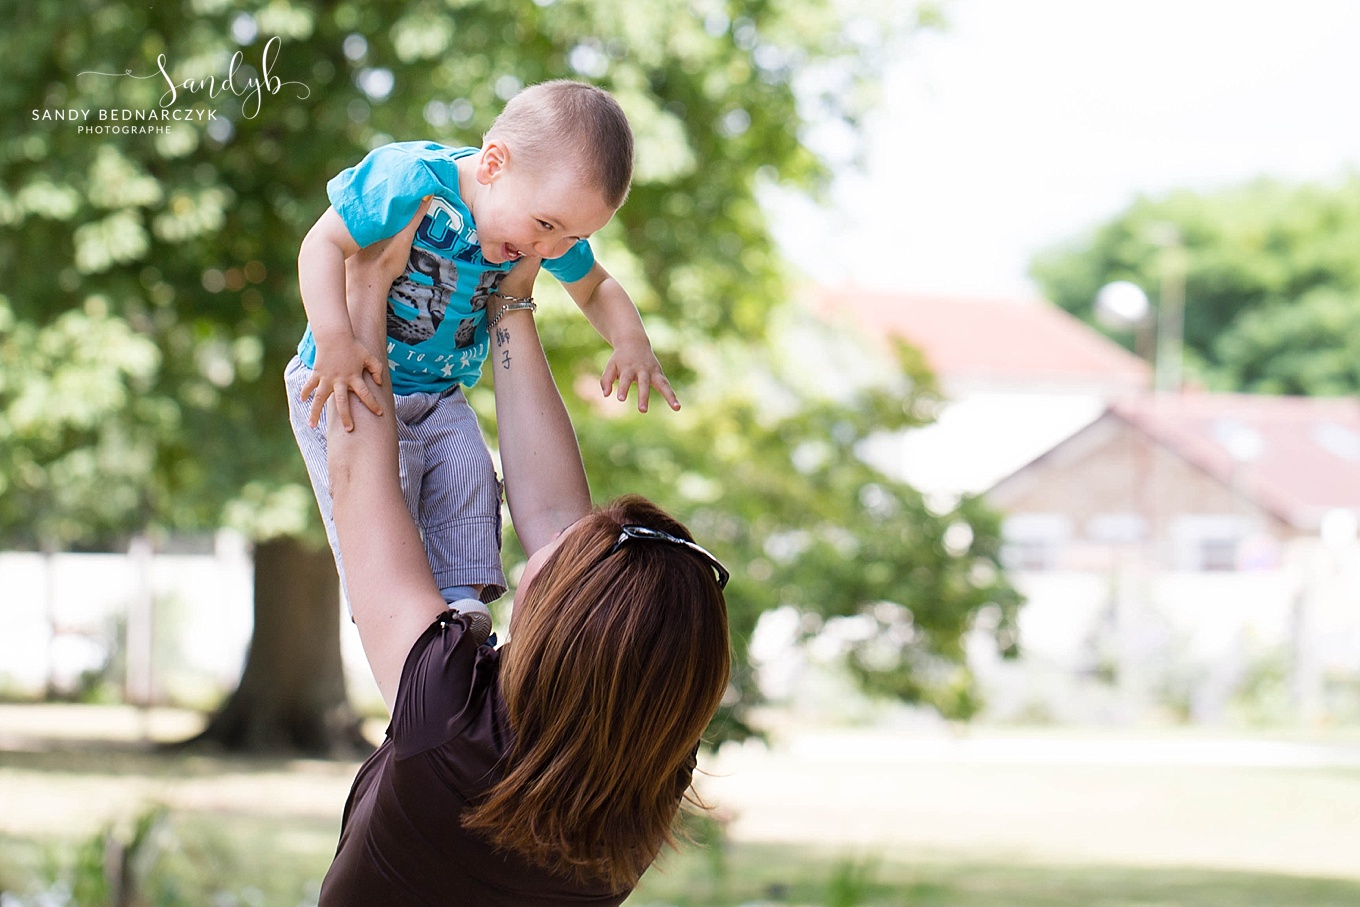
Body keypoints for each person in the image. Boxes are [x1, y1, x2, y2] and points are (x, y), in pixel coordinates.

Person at [316, 252, 731, 906]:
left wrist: (365, 287)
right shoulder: (649, 770)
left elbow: (360, 478)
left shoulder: (449, 721)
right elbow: (558, 525)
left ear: (561, 613)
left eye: (566, 548)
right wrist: (511, 301)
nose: (560, 531)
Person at [288, 79, 677, 615]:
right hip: (344, 373)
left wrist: (631, 341)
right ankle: (388, 604)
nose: (550, 249)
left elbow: (596, 286)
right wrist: (335, 340)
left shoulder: (544, 224)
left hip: (439, 393)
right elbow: (322, 244)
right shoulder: (410, 179)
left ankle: (459, 600)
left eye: (572, 238)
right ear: (494, 163)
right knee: (383, 487)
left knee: (471, 472)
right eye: (546, 226)